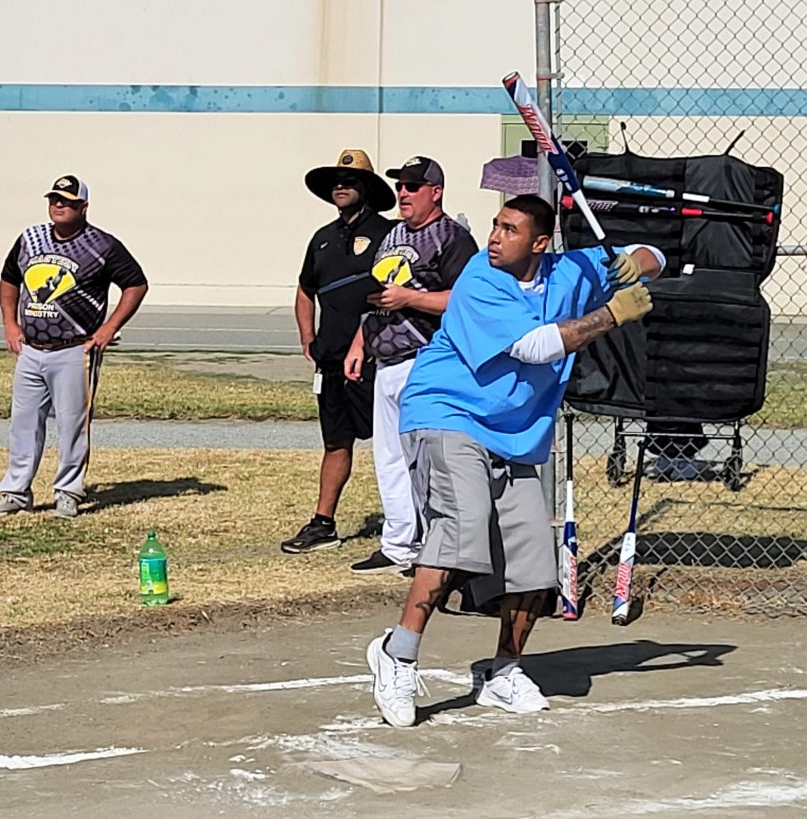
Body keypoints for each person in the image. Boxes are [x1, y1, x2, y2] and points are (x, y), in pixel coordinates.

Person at [365, 194, 663, 728]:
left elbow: (653, 255)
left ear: (541, 243)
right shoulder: (480, 278)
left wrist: (633, 264)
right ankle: (398, 654)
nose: (495, 237)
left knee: (533, 563)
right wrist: (611, 313)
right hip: (448, 413)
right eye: (495, 225)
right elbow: (536, 346)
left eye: (510, 229)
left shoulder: (570, 271)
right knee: (462, 528)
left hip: (514, 434)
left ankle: (502, 672)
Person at [0, 175, 148, 519]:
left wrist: (110, 328)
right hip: (31, 348)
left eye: (68, 201)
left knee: (73, 424)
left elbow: (136, 284)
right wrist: (10, 323)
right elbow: (9, 279)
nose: (59, 205)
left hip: (75, 349)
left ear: (83, 207)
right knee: (23, 423)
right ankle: (15, 491)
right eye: (54, 199)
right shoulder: (30, 238)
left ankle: (68, 491)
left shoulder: (101, 245)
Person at [344, 156, 479, 574]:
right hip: (386, 357)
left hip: (427, 358)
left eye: (413, 186)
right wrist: (360, 341)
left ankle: (432, 547)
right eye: (400, 185)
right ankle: (398, 543)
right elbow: (380, 293)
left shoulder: (452, 238)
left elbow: (465, 299)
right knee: (388, 457)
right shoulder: (393, 235)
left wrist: (411, 299)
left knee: (426, 460)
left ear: (436, 192)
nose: (403, 193)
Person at [281, 150, 396, 553]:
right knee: (335, 442)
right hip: (331, 361)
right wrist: (307, 336)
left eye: (350, 180)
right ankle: (323, 523)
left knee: (394, 446)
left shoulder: (389, 233)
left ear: (368, 188)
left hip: (376, 359)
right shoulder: (323, 238)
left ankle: (407, 526)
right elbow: (305, 289)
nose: (341, 186)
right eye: (336, 182)